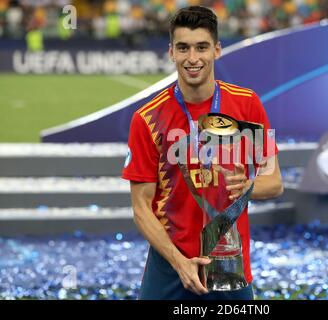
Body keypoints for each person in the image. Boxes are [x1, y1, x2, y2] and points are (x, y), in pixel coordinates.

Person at [122, 5, 283, 300]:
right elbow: (141, 208)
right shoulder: (147, 119)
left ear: (217, 50)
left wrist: (248, 188)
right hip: (169, 265)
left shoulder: (247, 105)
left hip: (229, 263)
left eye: (201, 47)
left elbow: (274, 183)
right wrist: (179, 261)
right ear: (171, 52)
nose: (192, 58)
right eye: (183, 48)